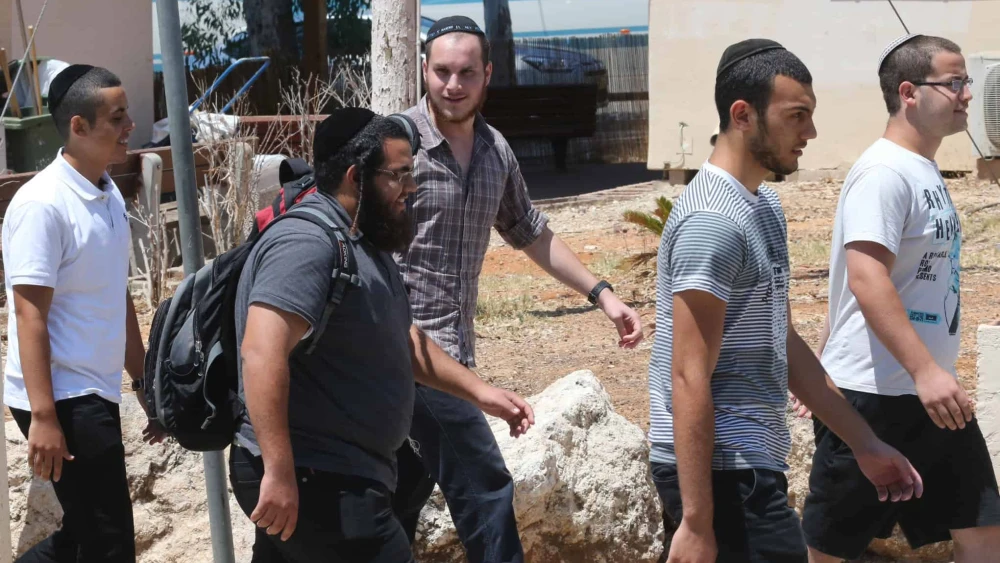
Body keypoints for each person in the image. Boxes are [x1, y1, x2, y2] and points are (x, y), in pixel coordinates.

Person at [647, 39, 925, 563]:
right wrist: (697, 521)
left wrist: (863, 442)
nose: (811, 132)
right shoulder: (712, 223)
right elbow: (686, 376)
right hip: (721, 470)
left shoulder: (764, 205)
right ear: (743, 115)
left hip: (749, 464)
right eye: (797, 116)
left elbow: (784, 343)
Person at [228, 107, 535, 563]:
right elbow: (260, 351)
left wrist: (480, 393)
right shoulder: (307, 244)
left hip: (335, 474)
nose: (411, 188)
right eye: (400, 174)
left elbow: (402, 338)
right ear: (356, 177)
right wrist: (279, 469)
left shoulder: (359, 240)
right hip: (317, 477)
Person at [392, 15, 645, 561]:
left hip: (454, 355)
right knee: (485, 489)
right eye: (440, 72)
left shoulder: (493, 150)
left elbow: (529, 231)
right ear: (423, 71)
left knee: (399, 497)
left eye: (465, 73)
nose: (452, 85)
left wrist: (602, 293)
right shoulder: (397, 147)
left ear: (488, 75)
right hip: (406, 355)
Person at [803, 34, 1000, 563]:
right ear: (909, 92)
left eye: (966, 82)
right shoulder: (884, 172)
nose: (965, 94)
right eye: (953, 82)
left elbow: (848, 284)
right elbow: (866, 279)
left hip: (930, 395)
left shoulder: (921, 168)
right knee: (831, 549)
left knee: (983, 531)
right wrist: (925, 372)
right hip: (875, 395)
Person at [2, 64, 166, 563]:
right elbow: (28, 316)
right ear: (79, 126)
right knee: (110, 542)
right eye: (117, 117)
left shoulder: (108, 192)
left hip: (93, 390)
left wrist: (143, 384)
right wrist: (45, 418)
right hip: (63, 397)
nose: (130, 126)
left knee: (84, 537)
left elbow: (115, 298)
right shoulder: (41, 205)